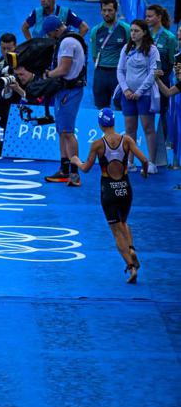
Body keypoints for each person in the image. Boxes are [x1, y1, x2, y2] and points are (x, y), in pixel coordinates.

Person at [70, 108, 148, 284]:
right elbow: (144, 160)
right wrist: (144, 173)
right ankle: (132, 248)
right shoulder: (126, 140)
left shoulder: (97, 144)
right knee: (124, 222)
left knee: (116, 232)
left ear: (100, 125)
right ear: (114, 122)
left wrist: (75, 161)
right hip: (126, 188)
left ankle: (131, 267)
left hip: (109, 191)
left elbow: (86, 168)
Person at [42, 15, 88, 187]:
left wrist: (47, 75)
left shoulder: (67, 42)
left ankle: (75, 174)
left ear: (55, 30)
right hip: (65, 90)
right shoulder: (68, 39)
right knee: (62, 131)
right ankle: (64, 169)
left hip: (70, 91)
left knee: (68, 132)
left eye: (49, 34)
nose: (48, 37)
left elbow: (64, 69)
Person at [117, 19, 160, 174]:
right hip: (127, 95)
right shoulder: (126, 49)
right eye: (132, 31)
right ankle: (129, 162)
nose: (133, 34)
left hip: (145, 95)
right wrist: (126, 89)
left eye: (136, 31)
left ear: (144, 33)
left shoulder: (152, 50)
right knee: (129, 129)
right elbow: (120, 71)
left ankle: (152, 163)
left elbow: (152, 73)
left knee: (148, 128)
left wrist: (139, 92)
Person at [146, 4, 178, 156]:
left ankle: (163, 145)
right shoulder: (146, 35)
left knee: (162, 112)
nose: (147, 19)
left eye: (150, 16)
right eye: (146, 16)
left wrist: (161, 76)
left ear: (159, 17)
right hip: (145, 80)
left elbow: (173, 61)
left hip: (162, 80)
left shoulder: (169, 38)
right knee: (146, 109)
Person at [89, 0, 130, 108]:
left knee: (121, 106)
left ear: (116, 11)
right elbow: (94, 55)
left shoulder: (126, 29)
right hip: (101, 74)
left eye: (110, 10)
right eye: (104, 10)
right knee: (101, 107)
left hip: (118, 73)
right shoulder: (95, 31)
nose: (106, 13)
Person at [21, 0, 89, 40]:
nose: (42, 0)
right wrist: (31, 44)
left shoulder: (65, 12)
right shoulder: (36, 12)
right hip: (40, 51)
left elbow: (84, 27)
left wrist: (74, 43)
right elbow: (24, 27)